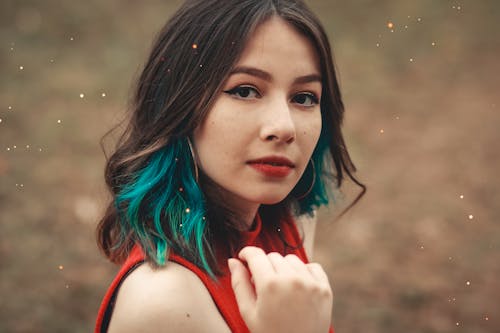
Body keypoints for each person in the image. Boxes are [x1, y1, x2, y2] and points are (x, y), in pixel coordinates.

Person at [95, 0, 365, 332]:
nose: (284, 127)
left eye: (304, 97)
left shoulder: (290, 219)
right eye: (246, 90)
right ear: (180, 105)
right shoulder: (164, 303)